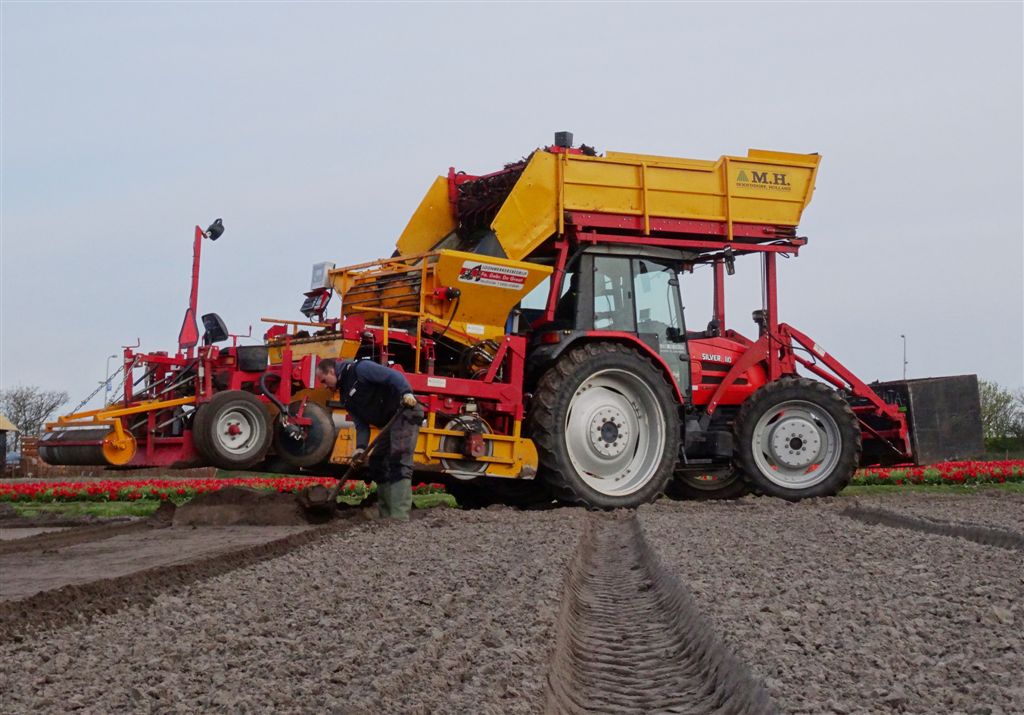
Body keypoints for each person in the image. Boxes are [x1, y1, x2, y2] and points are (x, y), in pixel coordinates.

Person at [316, 357, 423, 520]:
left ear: (331, 371)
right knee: (377, 461)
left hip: (405, 411)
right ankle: (386, 516)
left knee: (399, 457)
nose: (324, 386)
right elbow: (361, 425)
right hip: (390, 421)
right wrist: (360, 448)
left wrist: (406, 393)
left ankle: (399, 516)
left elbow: (395, 377)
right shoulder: (345, 396)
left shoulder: (361, 369)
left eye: (324, 380)